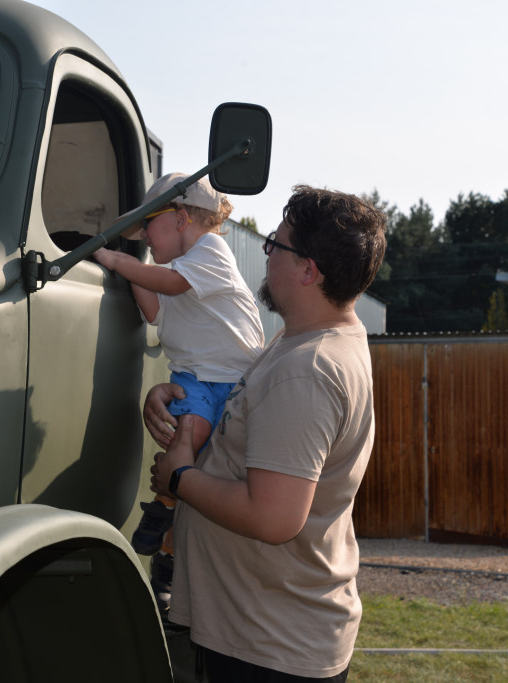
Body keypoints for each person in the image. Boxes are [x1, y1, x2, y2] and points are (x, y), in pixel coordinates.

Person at [146, 185, 387, 681]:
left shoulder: (308, 369)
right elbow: (254, 418)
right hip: (260, 631)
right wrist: (179, 393)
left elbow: (274, 517)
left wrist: (180, 478)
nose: (266, 252)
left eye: (275, 244)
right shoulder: (300, 343)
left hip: (268, 646)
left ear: (307, 270)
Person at [94, 173, 264, 610]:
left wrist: (118, 261)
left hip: (235, 380)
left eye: (149, 225)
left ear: (182, 217)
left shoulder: (210, 251)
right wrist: (133, 270)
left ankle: (168, 532)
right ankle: (164, 517)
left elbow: (169, 285)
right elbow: (154, 310)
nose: (145, 237)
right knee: (189, 436)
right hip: (193, 377)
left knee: (210, 464)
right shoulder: (174, 272)